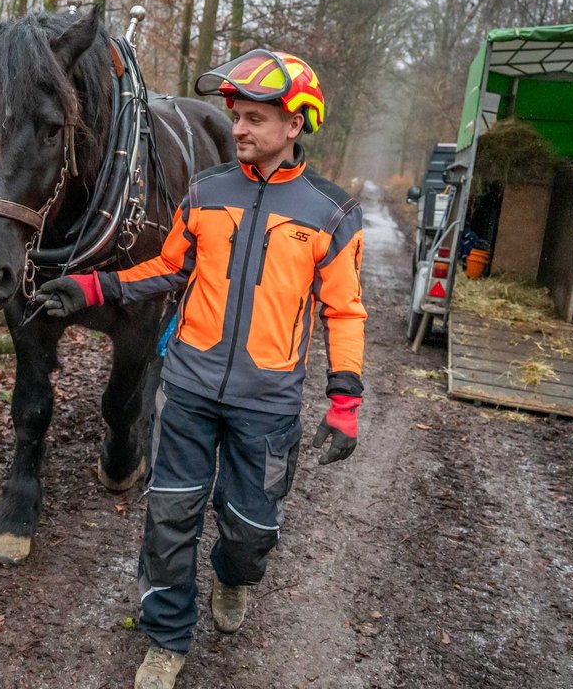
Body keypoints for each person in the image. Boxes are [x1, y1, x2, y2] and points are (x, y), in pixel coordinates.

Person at [34, 49, 367, 689]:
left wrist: (344, 402)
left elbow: (345, 312)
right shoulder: (207, 191)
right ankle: (166, 639)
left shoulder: (331, 212)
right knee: (169, 517)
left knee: (251, 531)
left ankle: (234, 577)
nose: (238, 129)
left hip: (267, 403)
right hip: (186, 390)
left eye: (254, 119)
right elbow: (166, 268)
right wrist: (92, 288)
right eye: (235, 117)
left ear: (295, 123)